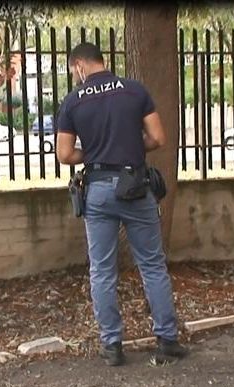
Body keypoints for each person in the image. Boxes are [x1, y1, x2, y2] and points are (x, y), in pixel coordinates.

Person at [55, 42, 189, 366]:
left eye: (73, 71)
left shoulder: (73, 101)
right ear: (102, 61)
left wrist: (95, 153)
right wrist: (129, 146)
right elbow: (158, 138)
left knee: (102, 270)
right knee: (152, 265)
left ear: (79, 66)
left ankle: (112, 345)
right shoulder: (134, 90)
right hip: (135, 186)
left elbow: (64, 154)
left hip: (98, 190)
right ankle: (167, 340)